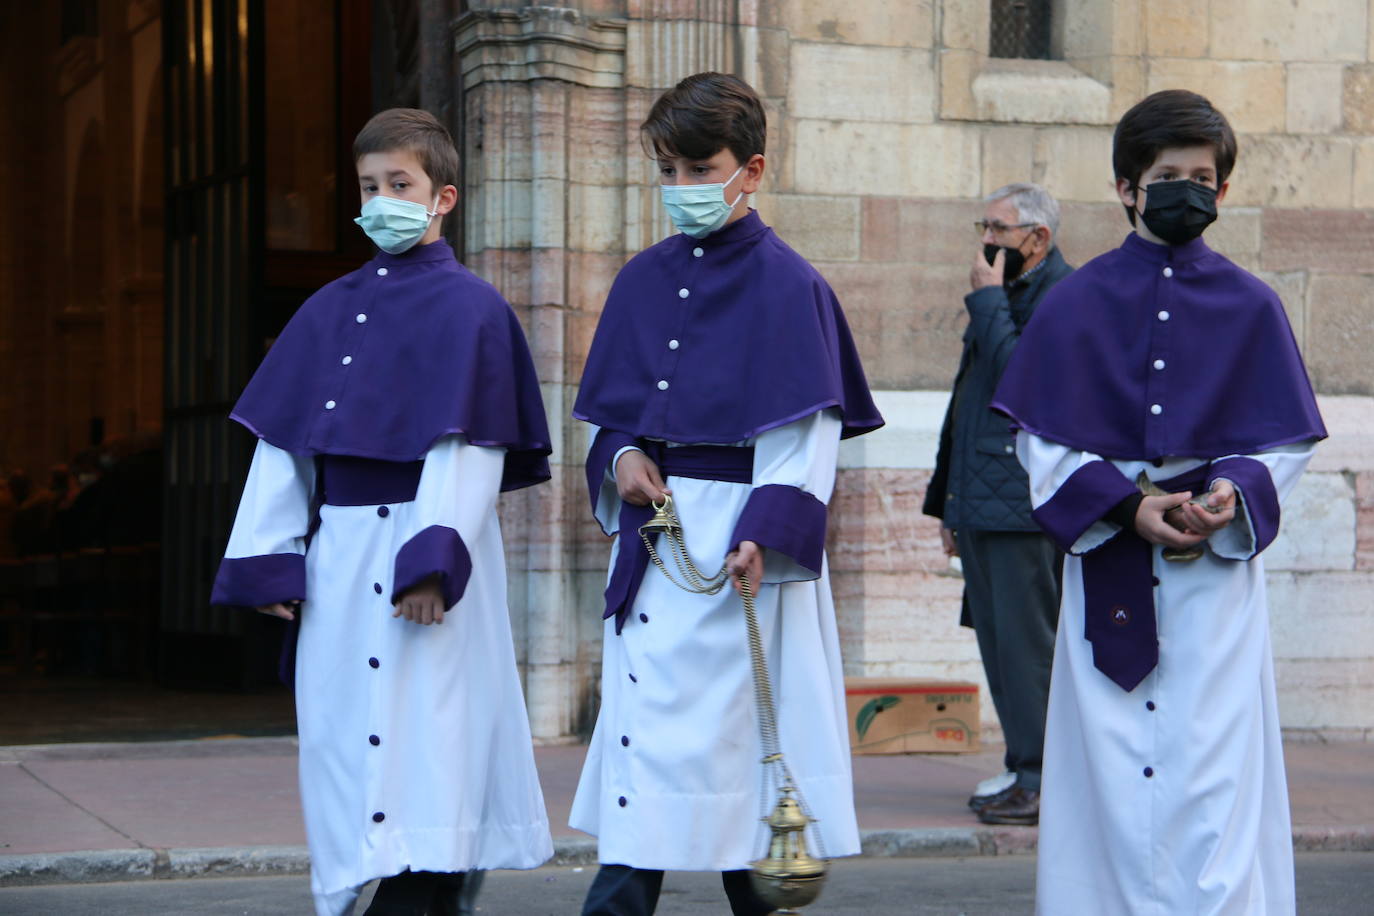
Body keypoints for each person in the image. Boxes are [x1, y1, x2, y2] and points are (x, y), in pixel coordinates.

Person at [210, 108, 554, 916]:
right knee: (342, 731)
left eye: (400, 184)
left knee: (430, 735)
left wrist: (433, 560)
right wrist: (271, 554)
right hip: (341, 559)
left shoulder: (473, 310)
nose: (381, 200)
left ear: (444, 197)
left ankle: (428, 889)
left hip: (428, 554)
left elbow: (468, 448)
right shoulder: (328, 308)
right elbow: (286, 446)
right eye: (369, 187)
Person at [992, 90, 1327, 914]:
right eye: (1168, 175)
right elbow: (1041, 440)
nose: (1188, 190)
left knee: (1210, 777)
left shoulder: (1253, 306)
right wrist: (1125, 506)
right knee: (1104, 782)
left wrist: (1228, 493)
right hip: (1109, 559)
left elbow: (1280, 444)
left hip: (1211, 585)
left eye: (1204, 177)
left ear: (1224, 188)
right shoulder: (1074, 302)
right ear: (1126, 187)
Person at [568, 72, 884, 916]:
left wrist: (764, 535)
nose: (681, 189)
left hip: (745, 554)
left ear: (753, 168)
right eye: (667, 170)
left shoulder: (793, 286)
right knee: (649, 760)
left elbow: (806, 434)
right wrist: (623, 455)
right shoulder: (641, 279)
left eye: (700, 168)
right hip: (658, 541)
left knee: (744, 758)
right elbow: (613, 417)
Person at [922, 182, 1071, 826]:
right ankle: (1022, 766)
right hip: (983, 504)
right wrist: (948, 506)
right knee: (998, 642)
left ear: (1037, 239)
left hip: (1022, 506)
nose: (985, 242)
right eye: (982, 227)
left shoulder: (1061, 298)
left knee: (1026, 645)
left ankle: (1043, 779)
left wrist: (986, 301)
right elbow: (967, 407)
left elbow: (1024, 388)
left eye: (999, 230)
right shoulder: (1006, 296)